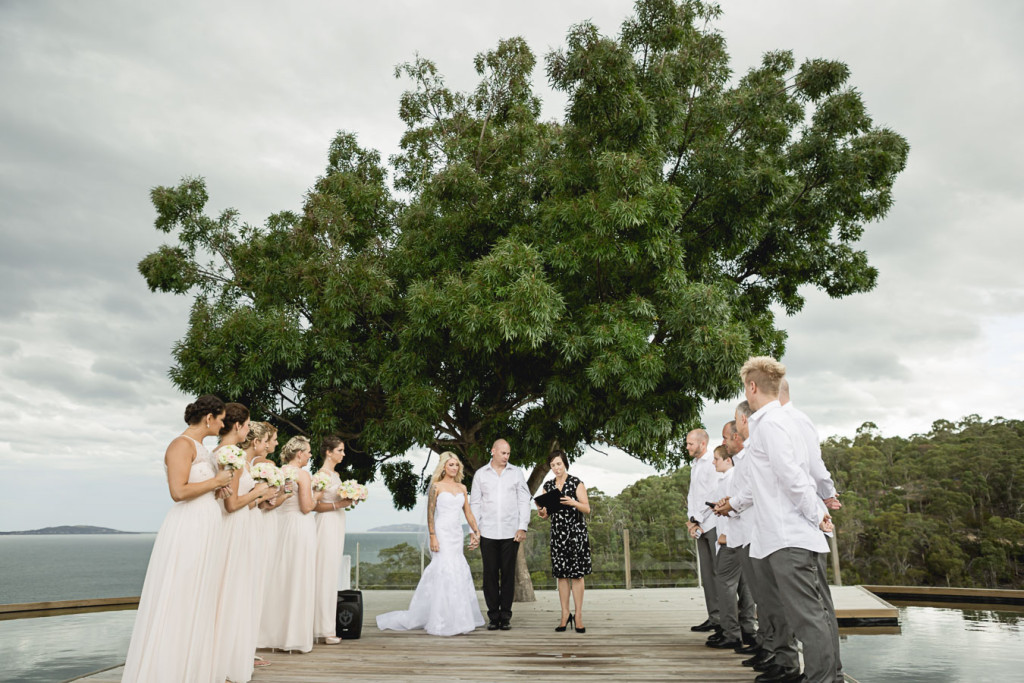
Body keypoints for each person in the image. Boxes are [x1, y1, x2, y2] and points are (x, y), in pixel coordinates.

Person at [717, 357, 838, 683]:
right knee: (807, 615)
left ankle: (823, 679)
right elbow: (770, 481)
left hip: (791, 535)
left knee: (809, 617)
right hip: (781, 535)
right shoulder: (780, 423)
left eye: (745, 386)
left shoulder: (771, 425)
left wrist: (817, 518)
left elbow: (794, 478)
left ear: (752, 387)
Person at [122, 395, 233, 683]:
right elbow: (178, 491)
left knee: (201, 595)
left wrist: (217, 490)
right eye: (221, 419)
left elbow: (200, 487)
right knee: (181, 593)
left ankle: (193, 670)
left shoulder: (205, 451)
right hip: (189, 526)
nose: (223, 424)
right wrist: (217, 482)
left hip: (208, 523)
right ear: (208, 418)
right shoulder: (180, 445)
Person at [376, 452, 485, 636]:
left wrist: (476, 532)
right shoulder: (436, 487)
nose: (454, 468)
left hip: (456, 533)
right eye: (451, 465)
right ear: (443, 467)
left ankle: (459, 617)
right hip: (441, 531)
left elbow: (468, 512)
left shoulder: (462, 488)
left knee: (457, 569)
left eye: (456, 465)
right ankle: (440, 618)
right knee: (443, 569)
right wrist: (433, 536)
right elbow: (430, 513)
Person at [212, 405, 273, 683]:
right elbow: (233, 503)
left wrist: (262, 495)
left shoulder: (236, 459)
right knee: (231, 593)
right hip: (234, 529)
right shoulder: (232, 457)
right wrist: (259, 492)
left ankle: (235, 655)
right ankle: (222, 661)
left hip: (243, 527)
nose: (249, 430)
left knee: (239, 593)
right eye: (248, 425)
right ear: (238, 426)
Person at [257, 436, 323, 654]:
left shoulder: (278, 472)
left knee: (278, 577)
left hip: (279, 525)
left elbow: (273, 501)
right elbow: (306, 507)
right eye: (308, 451)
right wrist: (318, 494)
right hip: (299, 527)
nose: (311, 455)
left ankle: (269, 634)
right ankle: (293, 637)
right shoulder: (302, 475)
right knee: (299, 577)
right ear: (299, 454)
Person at [469, 439, 532, 631]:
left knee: (507, 575)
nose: (506, 456)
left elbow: (524, 500)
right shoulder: (480, 475)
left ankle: (505, 616)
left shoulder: (516, 473)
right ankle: (493, 616)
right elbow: (475, 504)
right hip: (487, 532)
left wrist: (522, 527)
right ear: (493, 451)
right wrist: (475, 530)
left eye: (508, 453)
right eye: (503, 453)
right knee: (489, 575)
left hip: (510, 532)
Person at [537, 450, 592, 633]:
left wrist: (572, 502)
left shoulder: (576, 482)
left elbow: (587, 508)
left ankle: (578, 616)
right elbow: (546, 514)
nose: (556, 468)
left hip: (576, 534)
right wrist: (542, 512)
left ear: (565, 464)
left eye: (559, 464)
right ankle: (564, 614)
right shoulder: (548, 485)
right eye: (553, 465)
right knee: (561, 575)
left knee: (577, 575)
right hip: (558, 535)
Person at [313, 436, 357, 644]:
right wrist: (338, 505)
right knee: (324, 574)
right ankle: (323, 629)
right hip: (326, 523)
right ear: (329, 452)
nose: (343, 453)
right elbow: (314, 505)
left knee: (331, 574)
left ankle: (327, 626)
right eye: (340, 450)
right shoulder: (321, 475)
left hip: (338, 523)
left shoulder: (336, 475)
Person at [685, 428, 721, 633]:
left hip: (713, 524)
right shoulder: (695, 465)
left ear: (702, 444)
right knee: (707, 576)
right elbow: (693, 495)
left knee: (719, 574)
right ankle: (714, 617)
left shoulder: (712, 463)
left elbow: (712, 495)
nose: (687, 447)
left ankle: (727, 621)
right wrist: (692, 521)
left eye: (691, 443)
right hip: (699, 527)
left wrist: (697, 519)